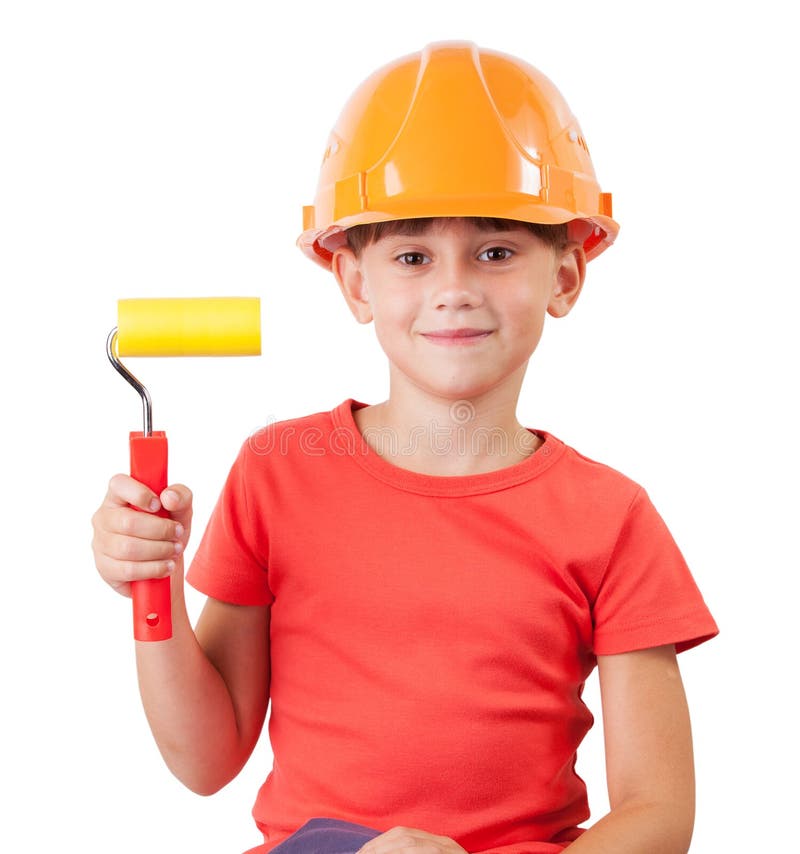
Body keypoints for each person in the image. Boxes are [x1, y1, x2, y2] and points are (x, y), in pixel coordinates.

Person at [91, 41, 718, 854]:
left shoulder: (612, 518)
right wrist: (155, 585)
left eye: (496, 252)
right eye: (412, 257)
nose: (453, 287)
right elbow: (206, 758)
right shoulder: (276, 475)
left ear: (565, 275)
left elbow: (659, 815)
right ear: (355, 282)